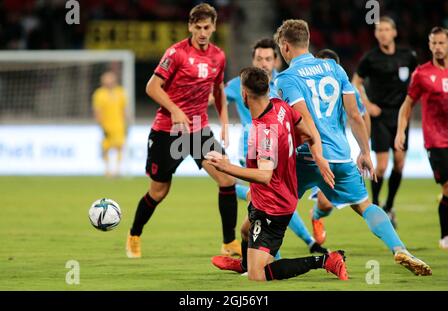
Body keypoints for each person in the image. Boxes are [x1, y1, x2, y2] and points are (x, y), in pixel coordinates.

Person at [274, 19, 431, 276]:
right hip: (341, 155)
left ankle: (270, 258)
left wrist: (317, 155)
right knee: (365, 205)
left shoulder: (286, 78)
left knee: (278, 205)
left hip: (307, 157)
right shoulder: (334, 69)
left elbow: (305, 120)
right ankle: (399, 248)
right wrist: (365, 151)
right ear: (308, 40)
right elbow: (355, 115)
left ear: (285, 46)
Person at [206, 67, 348, 281]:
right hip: (270, 195)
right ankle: (245, 263)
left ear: (244, 94)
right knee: (245, 230)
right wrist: (284, 147)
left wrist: (226, 167)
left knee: (258, 275)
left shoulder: (263, 130)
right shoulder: (280, 106)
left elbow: (264, 176)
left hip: (274, 205)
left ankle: (326, 260)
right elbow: (308, 133)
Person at [126, 3, 240, 258]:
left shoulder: (218, 56)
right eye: (197, 27)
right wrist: (175, 110)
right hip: (167, 131)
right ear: (190, 26)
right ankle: (134, 233)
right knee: (159, 192)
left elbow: (219, 89)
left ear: (213, 27)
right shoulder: (176, 53)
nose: (202, 32)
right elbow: (152, 87)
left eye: (207, 27)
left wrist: (223, 122)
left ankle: (229, 242)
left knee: (227, 178)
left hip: (198, 132)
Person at [225, 38, 328, 255]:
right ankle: (296, 247)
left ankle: (266, 258)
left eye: (268, 59)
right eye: (259, 58)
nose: (263, 63)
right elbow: (215, 97)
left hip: (278, 152)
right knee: (264, 206)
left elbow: (301, 117)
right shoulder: (239, 84)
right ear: (253, 60)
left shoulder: (283, 84)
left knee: (268, 204)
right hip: (252, 150)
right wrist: (224, 124)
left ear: (276, 61)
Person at [352, 16, 417, 228]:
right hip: (379, 116)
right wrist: (367, 104)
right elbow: (356, 82)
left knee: (399, 163)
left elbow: (417, 79)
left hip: (400, 117)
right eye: (379, 30)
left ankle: (389, 205)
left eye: (387, 29)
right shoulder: (370, 58)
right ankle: (377, 205)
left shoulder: (407, 56)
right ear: (376, 34)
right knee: (380, 167)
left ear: (394, 32)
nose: (383, 33)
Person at [308, 49, 371, 245]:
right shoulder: (307, 88)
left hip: (338, 150)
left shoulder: (346, 89)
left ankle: (316, 215)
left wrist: (365, 148)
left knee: (327, 205)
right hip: (313, 150)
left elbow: (360, 115)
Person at [395, 27, 448, 250]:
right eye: (434, 43)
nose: (437, 47)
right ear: (429, 45)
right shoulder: (422, 73)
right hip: (436, 141)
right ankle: (446, 236)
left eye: (441, 43)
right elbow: (407, 105)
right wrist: (400, 131)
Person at [92, 71, 127, 177]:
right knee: (106, 148)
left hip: (119, 125)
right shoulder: (99, 94)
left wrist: (126, 123)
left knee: (119, 146)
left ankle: (117, 170)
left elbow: (124, 109)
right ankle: (107, 170)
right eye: (107, 80)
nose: (109, 82)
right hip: (106, 125)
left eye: (111, 79)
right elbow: (97, 110)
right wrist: (100, 124)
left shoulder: (120, 92)